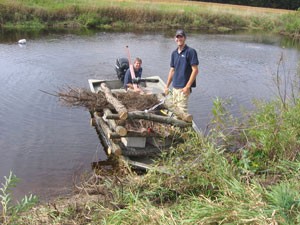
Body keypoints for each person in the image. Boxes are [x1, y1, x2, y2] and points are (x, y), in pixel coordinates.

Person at [164, 29, 199, 113]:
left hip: (184, 88)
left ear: (185, 38)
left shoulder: (191, 52)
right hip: (174, 87)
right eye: (177, 37)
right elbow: (172, 70)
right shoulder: (174, 53)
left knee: (182, 112)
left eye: (181, 37)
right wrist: (167, 86)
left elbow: (195, 70)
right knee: (174, 110)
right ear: (175, 39)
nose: (179, 39)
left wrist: (187, 87)